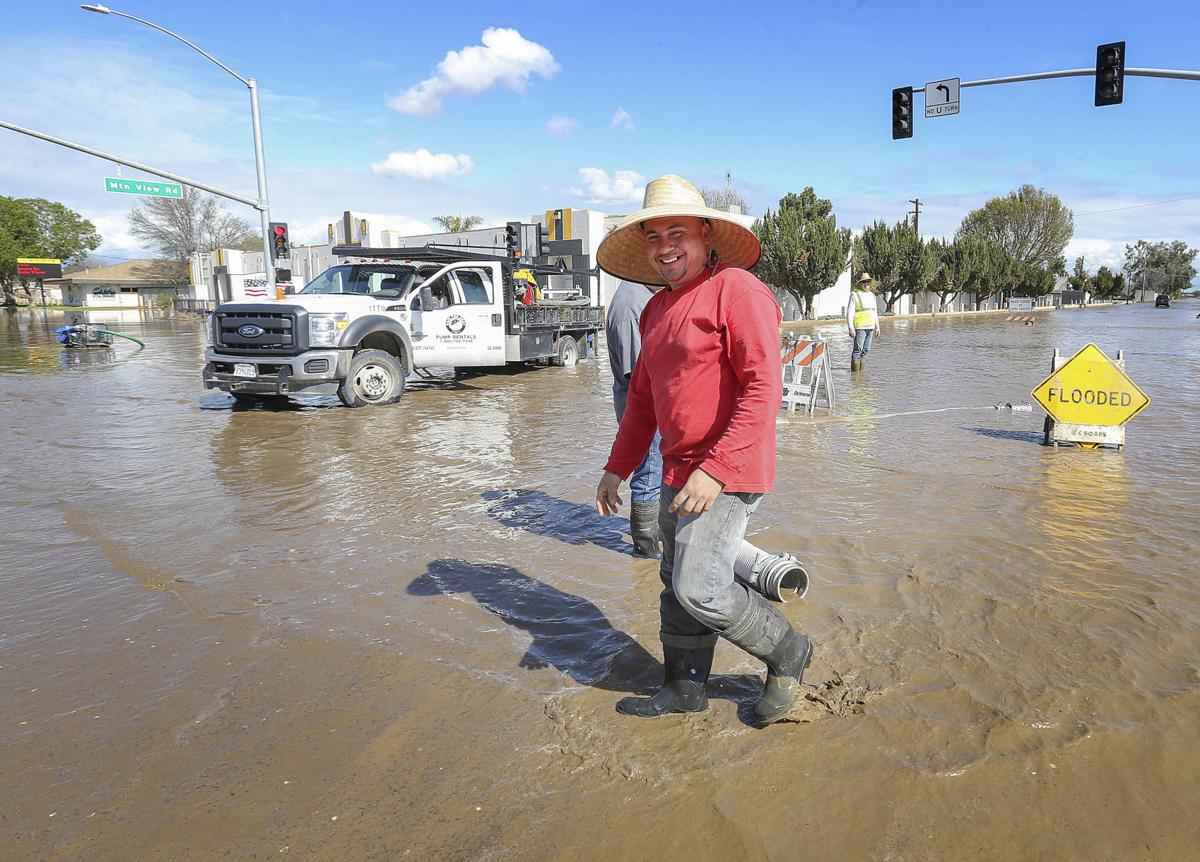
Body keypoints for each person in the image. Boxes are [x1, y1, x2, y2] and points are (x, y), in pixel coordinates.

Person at [594, 174, 813, 725]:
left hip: (730, 468)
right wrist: (616, 469)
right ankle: (684, 687)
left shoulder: (737, 289)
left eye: (678, 232)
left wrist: (715, 470)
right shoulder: (655, 310)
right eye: (653, 236)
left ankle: (787, 651)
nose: (665, 246)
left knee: (703, 587)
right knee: (674, 579)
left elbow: (765, 387)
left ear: (707, 234)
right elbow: (643, 402)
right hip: (677, 468)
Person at [606, 279, 664, 557]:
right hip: (644, 411)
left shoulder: (647, 296)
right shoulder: (631, 305)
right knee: (649, 475)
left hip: (654, 407)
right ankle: (645, 548)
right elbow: (639, 376)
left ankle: (656, 539)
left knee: (657, 474)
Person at [847, 272, 879, 372]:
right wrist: (851, 328)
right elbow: (850, 313)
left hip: (870, 327)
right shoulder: (855, 295)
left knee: (865, 351)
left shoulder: (872, 296)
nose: (867, 284)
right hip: (860, 327)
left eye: (868, 282)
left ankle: (860, 376)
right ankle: (855, 376)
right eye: (864, 282)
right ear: (860, 284)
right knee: (857, 351)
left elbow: (875, 312)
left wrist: (877, 327)